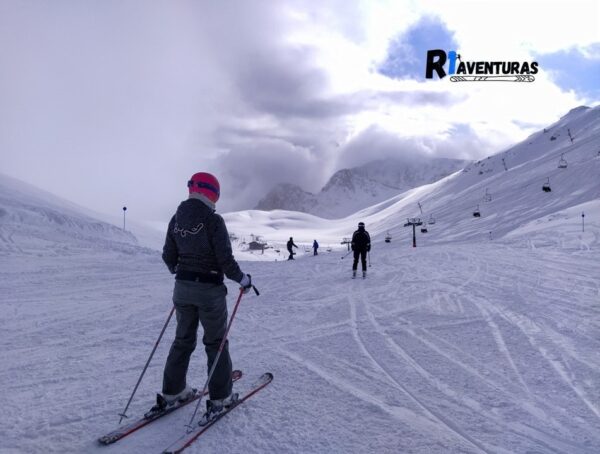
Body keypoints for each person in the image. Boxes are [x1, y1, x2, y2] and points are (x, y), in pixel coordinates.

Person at [149, 172, 253, 423]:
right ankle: (220, 398)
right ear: (212, 193)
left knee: (182, 340)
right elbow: (225, 260)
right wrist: (243, 280)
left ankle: (173, 391)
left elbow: (167, 255)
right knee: (216, 343)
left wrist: (180, 271)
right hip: (209, 290)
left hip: (182, 288)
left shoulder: (176, 218)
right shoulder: (213, 220)